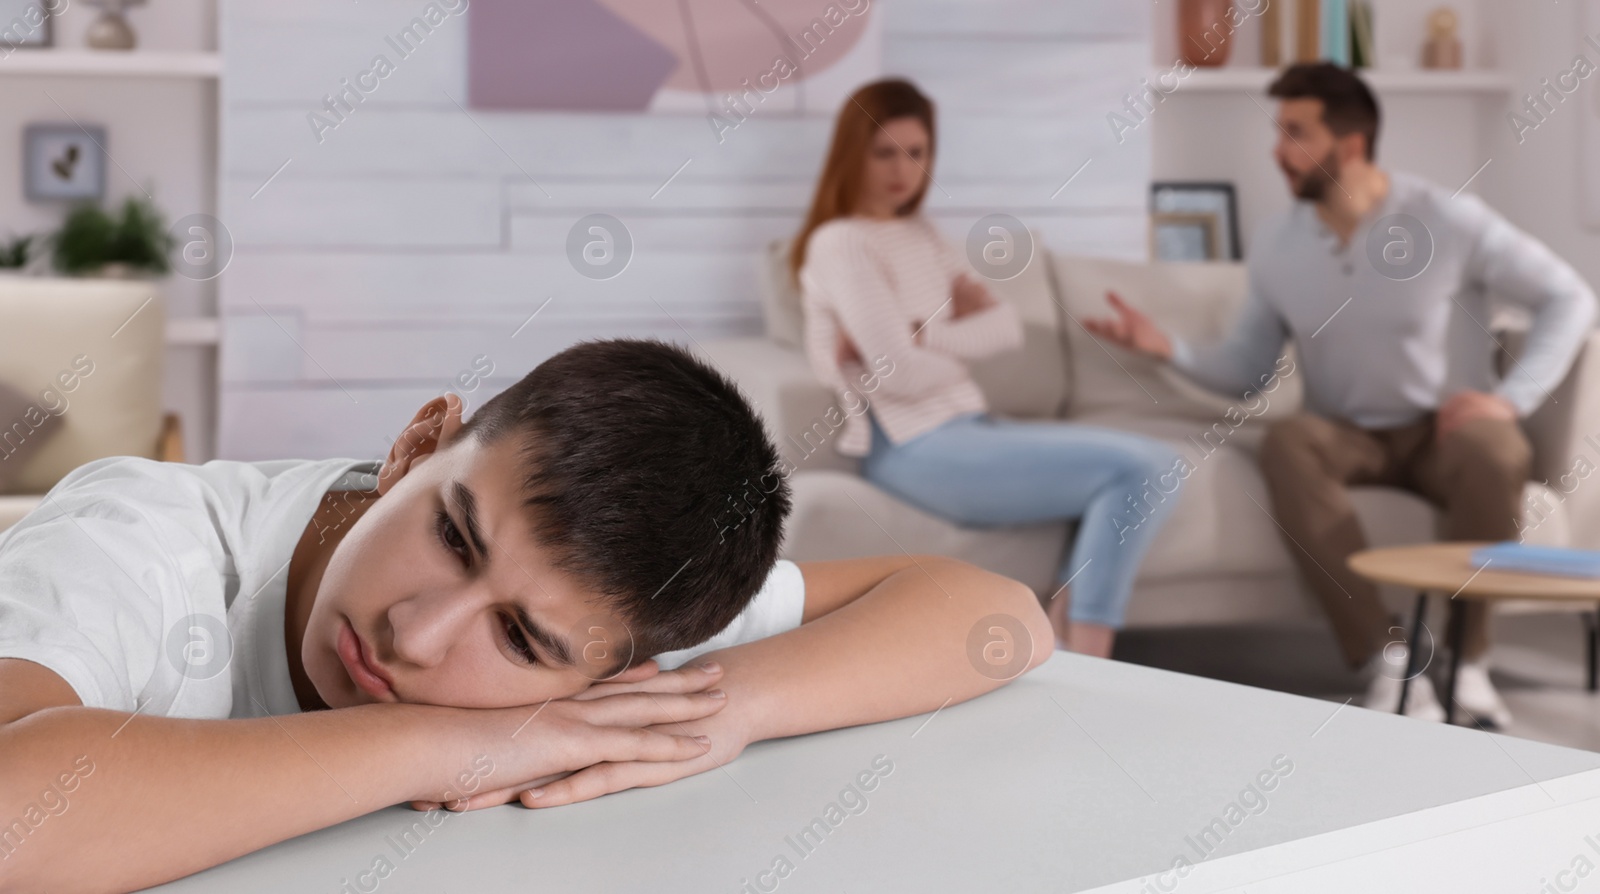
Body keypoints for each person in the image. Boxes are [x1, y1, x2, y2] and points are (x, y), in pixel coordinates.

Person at [0, 337, 1053, 892]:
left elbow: (997, 614)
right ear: (417, 444)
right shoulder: (142, 537)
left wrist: (715, 712)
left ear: (598, 674)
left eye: (518, 642)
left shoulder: (623, 621)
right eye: (452, 535)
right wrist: (439, 741)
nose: (414, 634)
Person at [1085, 62, 1598, 726]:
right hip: (1346, 433)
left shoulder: (1447, 218)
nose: (1278, 150)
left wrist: (1512, 399)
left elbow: (1570, 297)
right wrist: (1168, 349)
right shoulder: (1278, 244)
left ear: (1349, 145)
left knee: (1497, 449)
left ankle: (1468, 667)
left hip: (1445, 428)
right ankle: (1392, 659)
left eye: (1296, 133)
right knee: (1288, 442)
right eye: (1279, 130)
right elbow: (1248, 369)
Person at [793, 78, 1184, 659]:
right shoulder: (840, 243)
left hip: (972, 427)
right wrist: (932, 350)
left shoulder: (923, 236)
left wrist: (928, 337)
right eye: (884, 152)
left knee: (1160, 459)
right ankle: (1089, 652)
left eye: (916, 153)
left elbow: (1005, 329)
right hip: (911, 445)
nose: (902, 169)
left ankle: (1071, 639)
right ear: (853, 153)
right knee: (1144, 469)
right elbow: (896, 374)